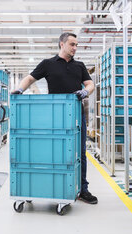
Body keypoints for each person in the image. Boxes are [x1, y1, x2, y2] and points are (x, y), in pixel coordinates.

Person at [11, 32, 97, 204]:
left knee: (80, 153)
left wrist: (86, 91)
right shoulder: (48, 64)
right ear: (61, 44)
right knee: (54, 152)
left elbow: (90, 83)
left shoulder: (79, 66)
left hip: (76, 116)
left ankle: (82, 189)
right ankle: (46, 186)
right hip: (54, 115)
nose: (75, 48)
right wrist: (19, 90)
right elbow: (30, 78)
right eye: (72, 44)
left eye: (76, 45)